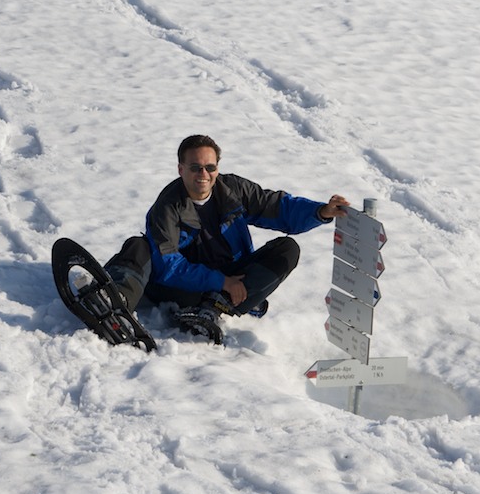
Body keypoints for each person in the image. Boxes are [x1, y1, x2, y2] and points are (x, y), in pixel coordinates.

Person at [100, 134, 349, 342]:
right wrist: (220, 281)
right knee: (138, 246)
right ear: (181, 169)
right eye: (195, 167)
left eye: (210, 167)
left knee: (287, 249)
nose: (203, 174)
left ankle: (216, 307)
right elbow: (168, 266)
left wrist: (321, 211)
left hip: (229, 282)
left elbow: (277, 207)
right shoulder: (167, 207)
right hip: (183, 287)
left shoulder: (233, 190)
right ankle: (115, 302)